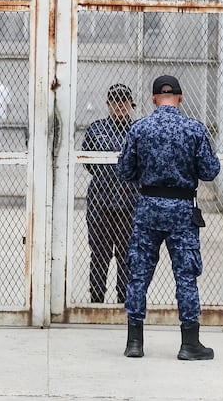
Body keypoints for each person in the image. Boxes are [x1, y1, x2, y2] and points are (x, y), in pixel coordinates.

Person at [116, 74, 220, 361]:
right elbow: (210, 171)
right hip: (182, 210)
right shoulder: (194, 129)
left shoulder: (139, 128)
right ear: (181, 97)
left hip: (148, 207)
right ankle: (189, 343)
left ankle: (134, 342)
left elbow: (124, 171)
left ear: (152, 98)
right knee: (185, 276)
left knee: (138, 274)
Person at [81, 83, 138, 303]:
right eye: (115, 101)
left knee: (126, 254)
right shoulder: (96, 129)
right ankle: (97, 297)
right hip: (100, 202)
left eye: (124, 100)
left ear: (130, 103)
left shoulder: (137, 130)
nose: (119, 105)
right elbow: (88, 162)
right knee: (99, 253)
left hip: (129, 203)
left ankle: (124, 298)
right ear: (107, 104)